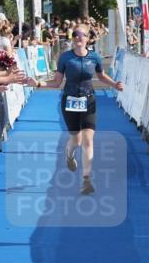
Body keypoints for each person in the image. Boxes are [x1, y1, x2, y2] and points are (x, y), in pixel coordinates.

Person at [39, 24, 124, 195]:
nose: (78, 37)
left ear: (88, 38)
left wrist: (114, 84)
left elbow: (100, 76)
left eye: (82, 35)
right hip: (69, 101)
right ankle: (69, 154)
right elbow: (56, 82)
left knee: (87, 140)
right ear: (72, 38)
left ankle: (86, 180)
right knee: (76, 140)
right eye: (75, 34)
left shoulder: (95, 57)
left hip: (89, 101)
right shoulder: (65, 58)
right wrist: (38, 84)